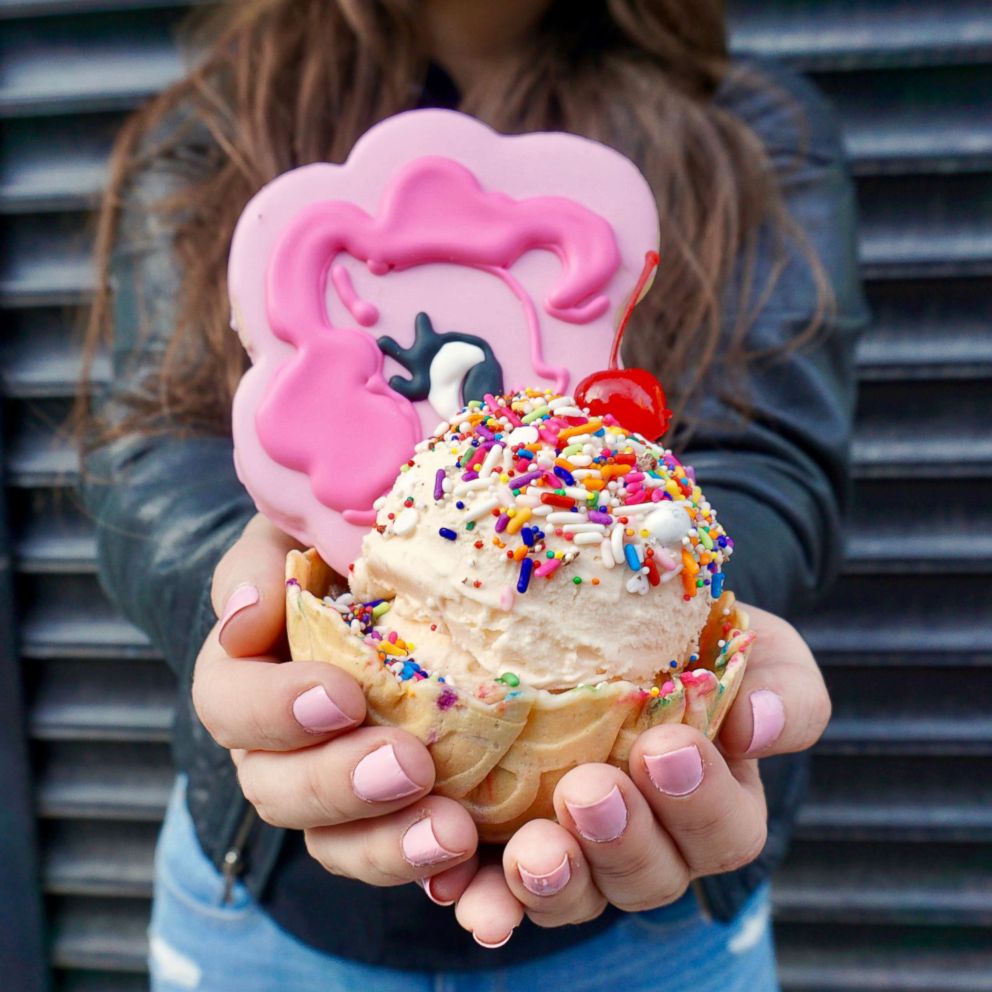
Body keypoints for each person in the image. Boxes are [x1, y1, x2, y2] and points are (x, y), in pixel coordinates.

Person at [77, 1, 866, 989]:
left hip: (654, 921)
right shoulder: (210, 130)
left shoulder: (752, 127)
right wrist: (245, 599)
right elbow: (146, 450)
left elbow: (775, 460)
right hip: (269, 903)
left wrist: (681, 611)